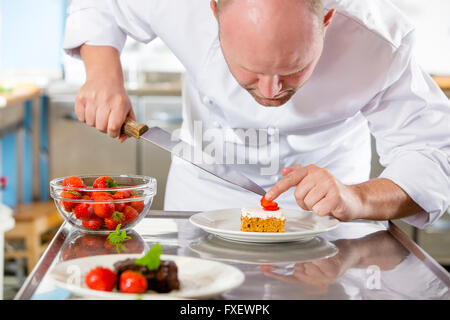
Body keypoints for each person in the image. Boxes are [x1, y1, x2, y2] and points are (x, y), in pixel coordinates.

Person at [63, 0, 450, 229]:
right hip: (203, 197)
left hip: (331, 215)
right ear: (213, 10)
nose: (270, 91)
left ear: (327, 19)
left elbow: (434, 154)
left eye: (293, 68)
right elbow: (102, 5)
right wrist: (102, 74)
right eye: (251, 68)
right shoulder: (180, 6)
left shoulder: (378, 38)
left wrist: (358, 198)